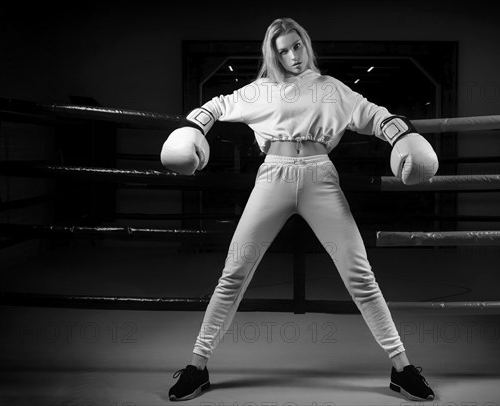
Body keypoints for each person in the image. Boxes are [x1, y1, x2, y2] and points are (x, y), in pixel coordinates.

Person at [161, 17, 438, 402]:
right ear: (272, 55)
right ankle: (197, 365)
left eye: (297, 46)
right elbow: (215, 106)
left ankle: (402, 367)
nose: (292, 55)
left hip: (320, 177)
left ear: (307, 44)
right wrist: (193, 129)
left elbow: (375, 115)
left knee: (360, 274)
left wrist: (402, 136)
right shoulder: (260, 91)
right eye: (282, 50)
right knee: (234, 271)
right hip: (272, 176)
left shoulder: (331, 89)